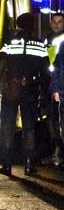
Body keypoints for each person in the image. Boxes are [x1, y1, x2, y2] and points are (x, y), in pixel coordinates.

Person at [0, 13, 51, 176]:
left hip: (10, 89)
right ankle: (28, 165)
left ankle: (7, 165)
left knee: (7, 127)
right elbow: (46, 72)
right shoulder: (40, 45)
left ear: (18, 26)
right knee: (29, 128)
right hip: (31, 90)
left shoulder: (9, 44)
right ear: (32, 27)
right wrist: (44, 93)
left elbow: (0, 67)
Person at [44, 12, 64, 166]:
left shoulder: (61, 40)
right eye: (54, 22)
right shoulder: (47, 38)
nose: (56, 24)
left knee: (57, 122)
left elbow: (57, 66)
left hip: (58, 86)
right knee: (52, 121)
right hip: (50, 84)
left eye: (60, 22)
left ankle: (58, 154)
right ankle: (56, 153)